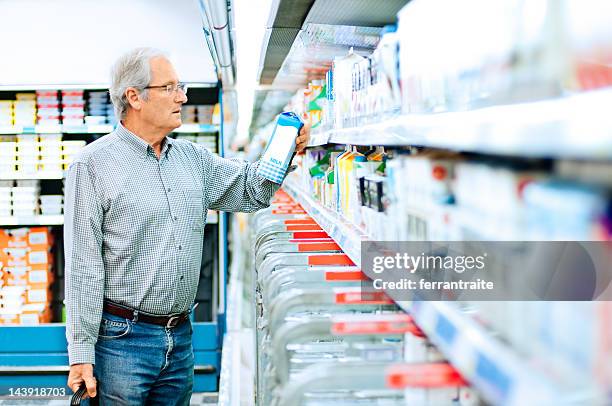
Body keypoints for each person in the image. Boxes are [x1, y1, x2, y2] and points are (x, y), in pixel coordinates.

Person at [64, 47, 309, 405]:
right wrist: (81, 353)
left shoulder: (192, 158)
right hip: (122, 342)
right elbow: (83, 265)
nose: (182, 96)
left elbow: (250, 190)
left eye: (182, 87)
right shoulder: (92, 166)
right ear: (134, 97)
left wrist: (284, 151)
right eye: (170, 87)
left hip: (180, 338)